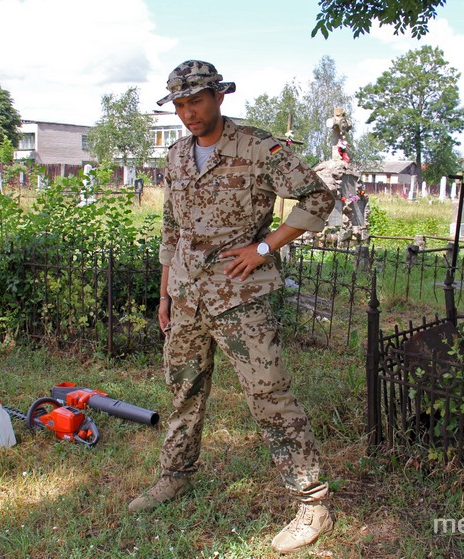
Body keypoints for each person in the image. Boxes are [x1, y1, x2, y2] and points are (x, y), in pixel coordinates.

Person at [129, 60, 336, 553]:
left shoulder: (260, 147)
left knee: (270, 396)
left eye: (196, 101)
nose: (188, 113)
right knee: (183, 392)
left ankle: (312, 503)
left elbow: (318, 198)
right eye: (179, 104)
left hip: (241, 297)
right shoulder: (177, 156)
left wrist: (265, 248)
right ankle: (175, 475)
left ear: (220, 96)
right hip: (186, 296)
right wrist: (164, 294)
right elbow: (171, 232)